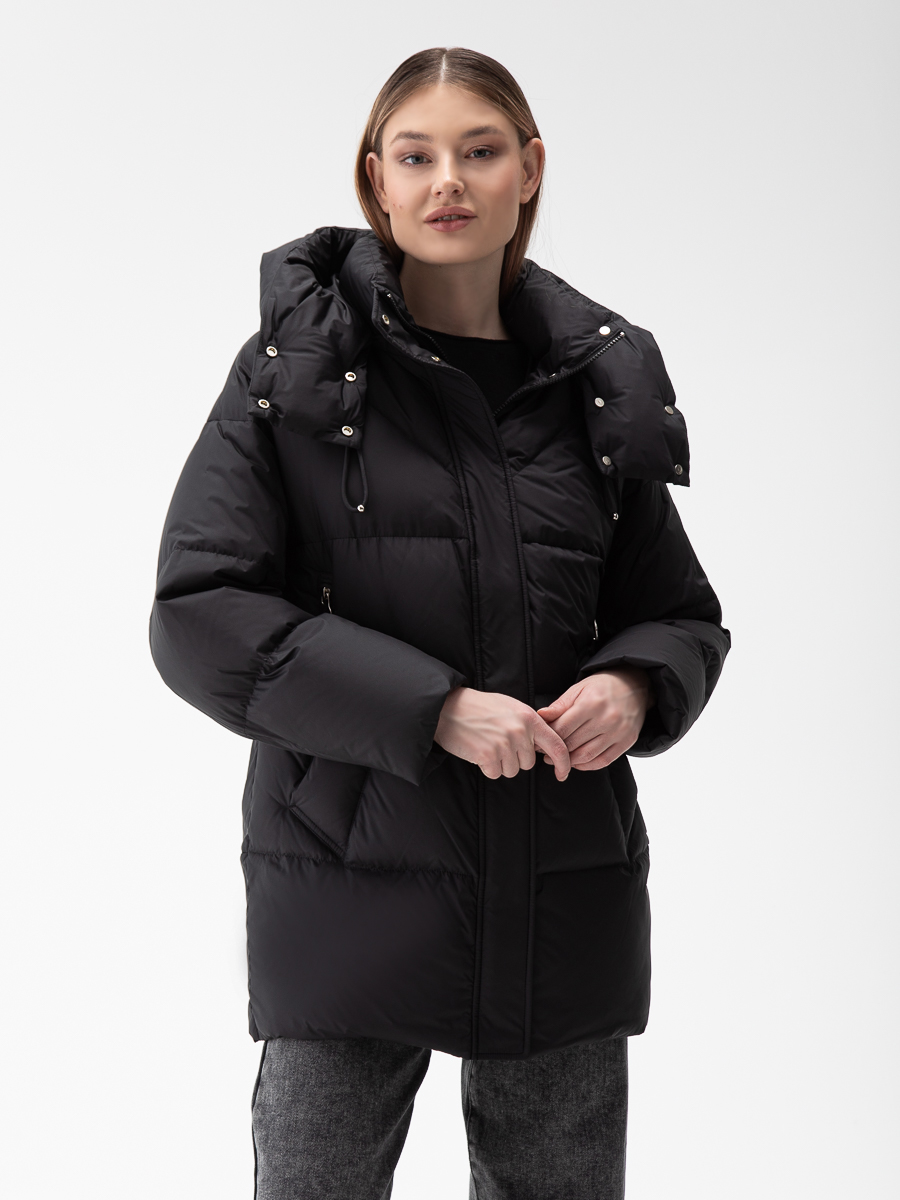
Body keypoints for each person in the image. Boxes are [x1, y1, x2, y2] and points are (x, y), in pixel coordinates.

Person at [150, 45, 730, 1200]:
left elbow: (677, 613)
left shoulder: (595, 385)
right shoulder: (297, 373)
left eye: (480, 151)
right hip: (346, 883)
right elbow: (200, 614)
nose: (448, 181)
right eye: (415, 157)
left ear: (530, 170)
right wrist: (435, 710)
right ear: (377, 179)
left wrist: (635, 685)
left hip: (561, 882)